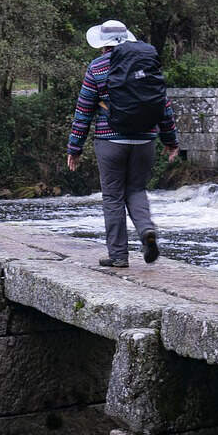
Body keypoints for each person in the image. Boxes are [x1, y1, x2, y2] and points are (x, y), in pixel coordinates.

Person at [66, 19, 179, 268]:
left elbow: (84, 111)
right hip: (145, 140)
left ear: (103, 44)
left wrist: (74, 148)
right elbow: (163, 105)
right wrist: (171, 141)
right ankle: (146, 230)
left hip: (110, 141)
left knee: (113, 197)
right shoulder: (146, 63)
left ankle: (118, 256)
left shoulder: (97, 67)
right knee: (136, 189)